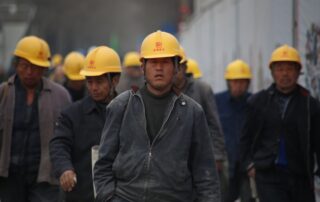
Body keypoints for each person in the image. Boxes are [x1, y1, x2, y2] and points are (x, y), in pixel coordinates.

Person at [94, 30, 220, 202]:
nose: (159, 68)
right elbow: (103, 165)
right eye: (153, 62)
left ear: (176, 66)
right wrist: (109, 198)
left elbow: (206, 174)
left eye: (166, 62)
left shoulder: (192, 112)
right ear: (143, 67)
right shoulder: (120, 106)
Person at [239, 44, 320, 202]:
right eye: (280, 69)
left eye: (290, 69)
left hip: (300, 175)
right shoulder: (257, 102)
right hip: (268, 174)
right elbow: (245, 139)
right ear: (273, 72)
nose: (285, 74)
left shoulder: (310, 105)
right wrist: (249, 165)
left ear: (298, 73)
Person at [0, 35, 71, 201]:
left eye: (36, 67)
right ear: (16, 65)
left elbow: (68, 139)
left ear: (45, 68)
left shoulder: (61, 96)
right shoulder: (3, 94)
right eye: (25, 66)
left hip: (45, 180)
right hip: (9, 178)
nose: (29, 72)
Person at [50, 46, 121, 202]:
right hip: (82, 194)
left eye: (99, 81)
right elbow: (59, 144)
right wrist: (65, 169)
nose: (93, 87)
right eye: (89, 81)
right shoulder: (72, 114)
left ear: (115, 80)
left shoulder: (129, 111)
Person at [174, 47, 227, 175]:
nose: (175, 71)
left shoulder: (202, 90)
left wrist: (218, 156)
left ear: (185, 68)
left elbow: (213, 124)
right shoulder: (163, 92)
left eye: (178, 67)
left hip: (200, 155)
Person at [215, 59, 252, 202]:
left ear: (248, 83)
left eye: (242, 82)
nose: (239, 86)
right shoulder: (217, 101)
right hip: (224, 164)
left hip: (246, 165)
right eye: (235, 82)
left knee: (248, 198)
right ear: (228, 82)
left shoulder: (254, 102)